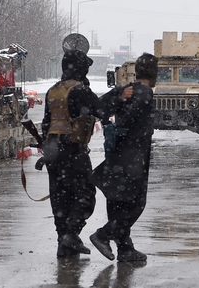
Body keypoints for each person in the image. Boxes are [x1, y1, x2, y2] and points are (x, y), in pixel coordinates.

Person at [90, 53, 158, 263]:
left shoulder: (126, 90)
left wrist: (118, 98)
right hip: (134, 156)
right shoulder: (145, 92)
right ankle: (103, 235)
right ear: (154, 73)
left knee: (117, 201)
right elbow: (130, 119)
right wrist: (123, 127)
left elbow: (98, 107)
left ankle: (125, 248)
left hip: (117, 154)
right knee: (136, 203)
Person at [41, 49, 100, 258]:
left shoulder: (53, 90)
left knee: (60, 199)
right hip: (73, 150)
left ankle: (63, 243)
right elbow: (101, 109)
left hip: (53, 152)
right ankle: (71, 235)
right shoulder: (80, 91)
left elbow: (46, 124)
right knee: (85, 195)